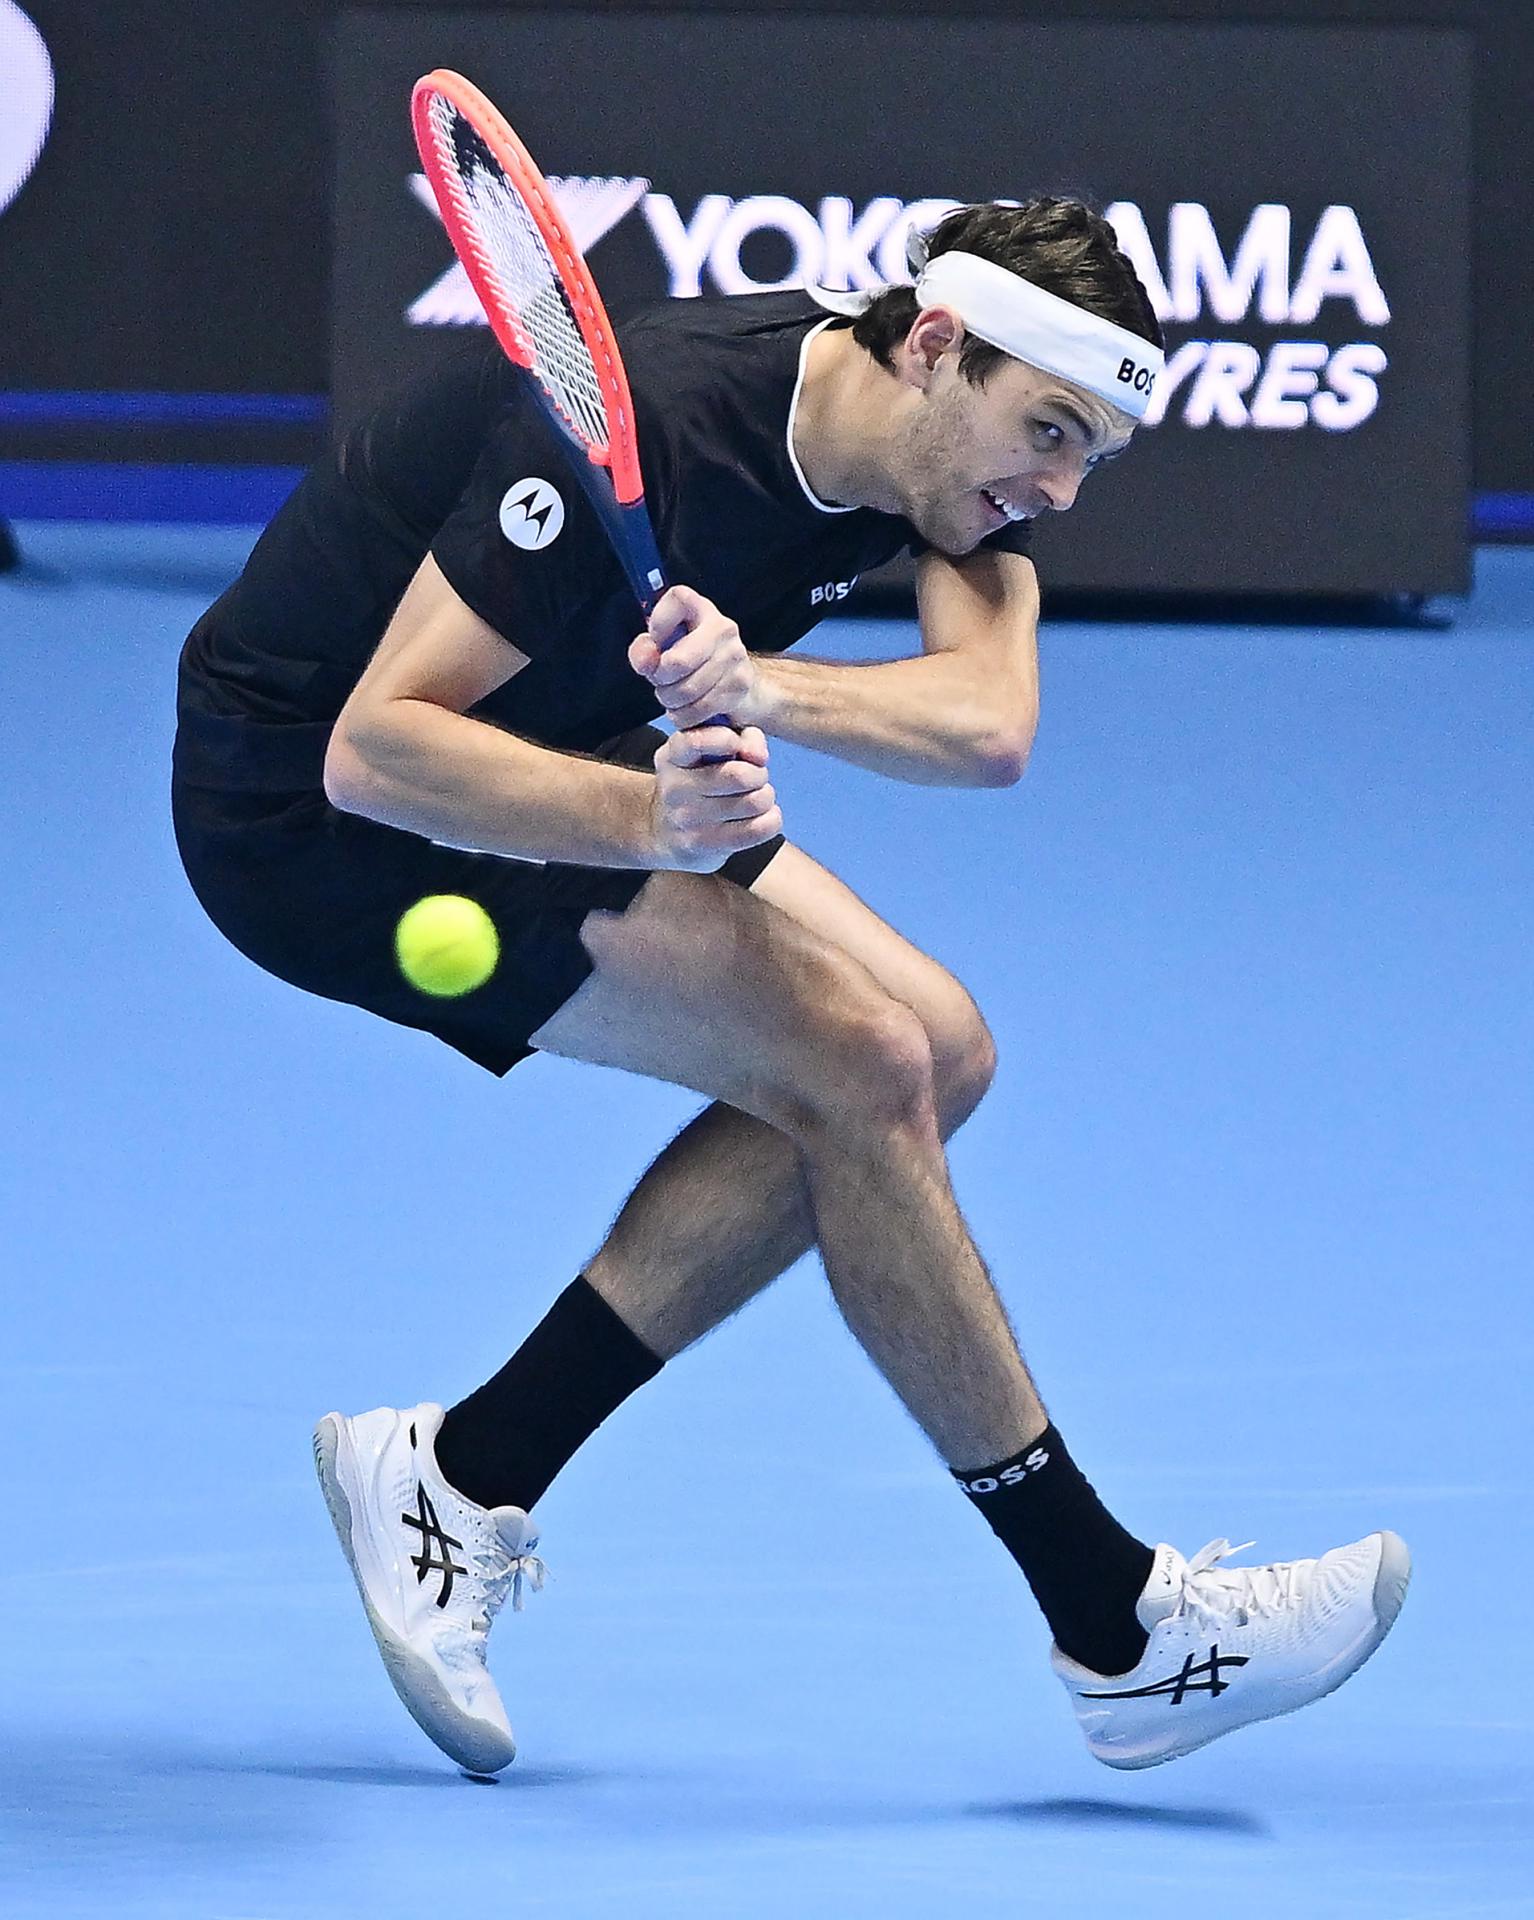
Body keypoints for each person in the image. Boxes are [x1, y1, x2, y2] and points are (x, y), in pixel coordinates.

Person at [172, 198, 1409, 1778]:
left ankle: (464, 1468)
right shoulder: (659, 426)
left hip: (563, 744)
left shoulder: (950, 465)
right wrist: (645, 814)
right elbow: (377, 748)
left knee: (939, 1049)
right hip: (314, 811)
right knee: (855, 1065)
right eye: (1044, 431)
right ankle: (1116, 1626)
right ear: (939, 345)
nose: (1055, 485)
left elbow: (988, 726)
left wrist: (760, 687)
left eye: (1089, 453)